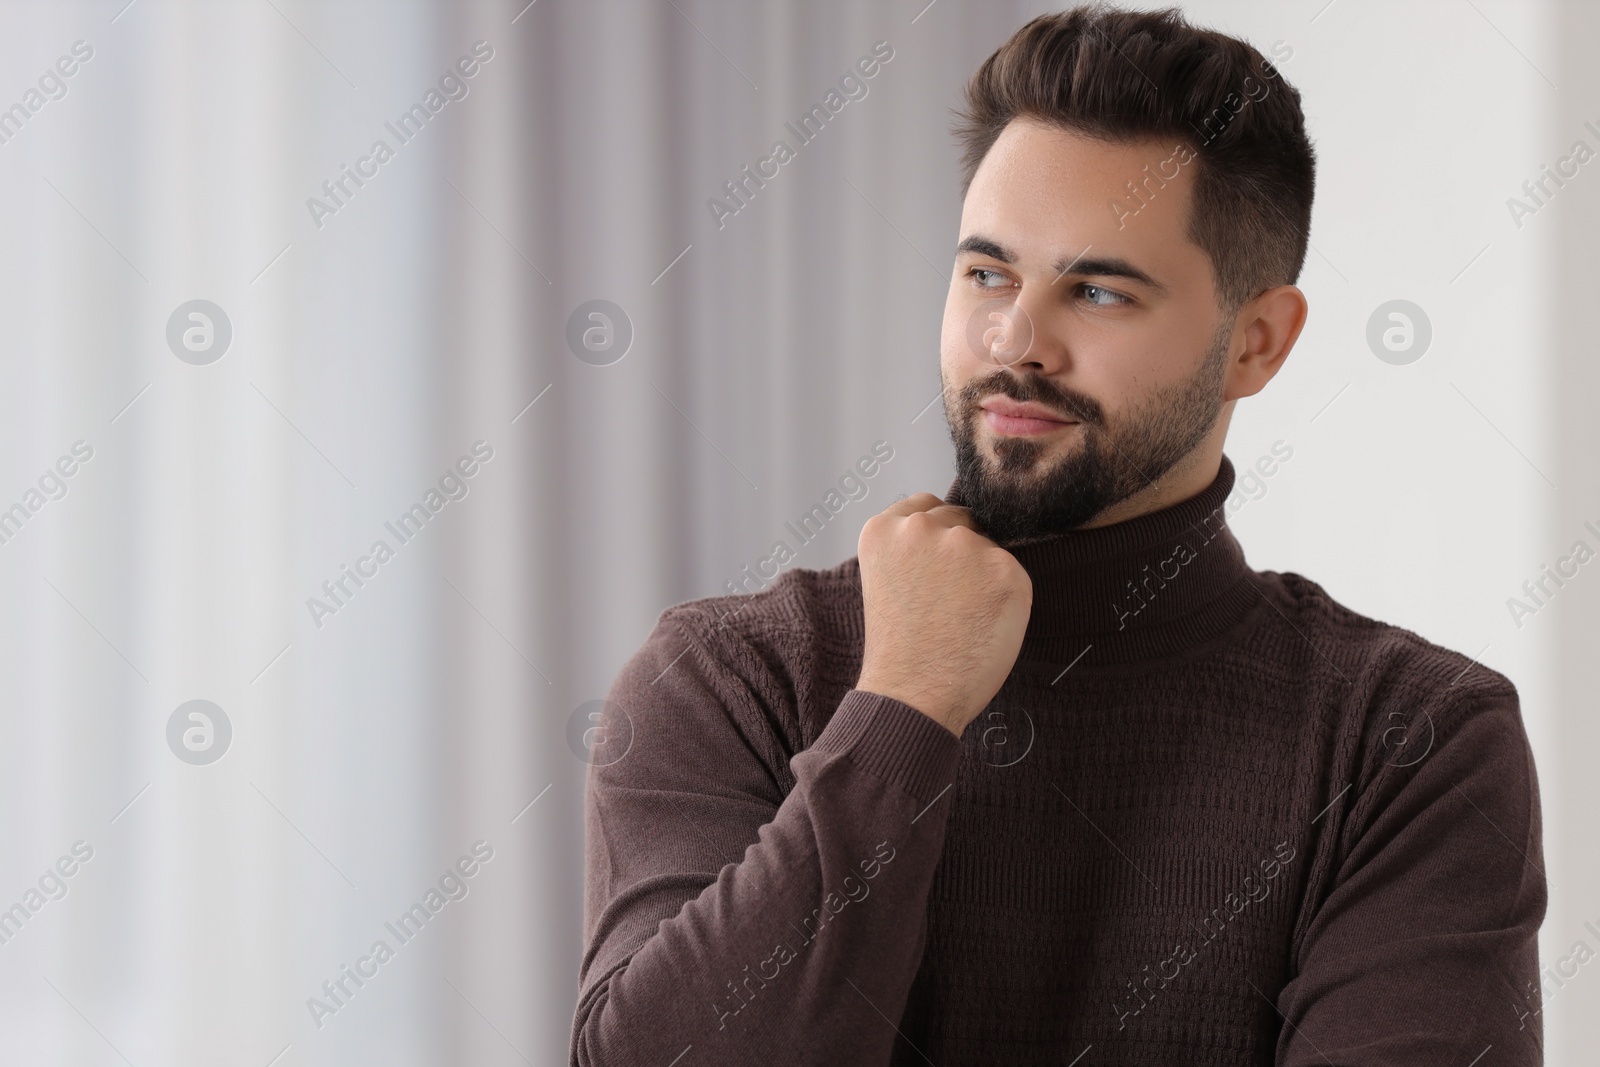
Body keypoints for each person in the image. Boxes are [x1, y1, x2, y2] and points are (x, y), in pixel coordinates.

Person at [570, 5, 1546, 1064]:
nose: (1013, 342)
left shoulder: (1409, 739)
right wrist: (903, 708)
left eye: (1094, 289)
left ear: (1255, 344)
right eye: (986, 274)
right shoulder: (734, 677)